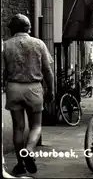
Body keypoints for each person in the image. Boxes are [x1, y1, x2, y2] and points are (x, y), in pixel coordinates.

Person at [2, 14, 55, 175]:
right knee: (36, 125)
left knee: (18, 128)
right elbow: (47, 70)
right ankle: (29, 151)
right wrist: (51, 89)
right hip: (34, 88)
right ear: (28, 28)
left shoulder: (6, 45)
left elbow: (3, 72)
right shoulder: (38, 44)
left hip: (14, 87)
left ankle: (20, 164)